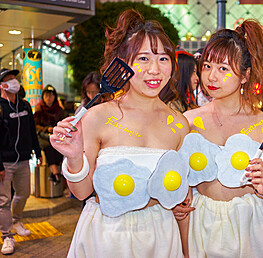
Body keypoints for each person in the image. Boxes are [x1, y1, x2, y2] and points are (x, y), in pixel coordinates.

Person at [50, 9, 190, 257]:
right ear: (124, 63)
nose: (154, 70)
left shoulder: (180, 124)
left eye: (163, 59)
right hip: (106, 236)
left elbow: (179, 195)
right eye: (143, 58)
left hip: (160, 236)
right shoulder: (98, 116)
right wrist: (73, 156)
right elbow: (81, 192)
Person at [180, 19, 263, 257]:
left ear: (244, 75)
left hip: (253, 227)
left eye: (223, 69)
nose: (211, 77)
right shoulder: (187, 121)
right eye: (207, 65)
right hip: (202, 225)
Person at [0, 68, 42, 255]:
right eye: (9, 79)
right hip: (5, 162)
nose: (14, 82)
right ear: (2, 85)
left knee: (24, 193)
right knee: (3, 200)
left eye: (14, 78)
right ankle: (6, 236)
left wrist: (38, 152)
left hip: (24, 159)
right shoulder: (0, 107)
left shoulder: (24, 106)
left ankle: (16, 220)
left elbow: (32, 131)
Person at [34, 85, 67, 184]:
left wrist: (56, 129)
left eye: (51, 95)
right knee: (49, 147)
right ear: (43, 97)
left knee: (59, 147)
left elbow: (65, 123)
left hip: (57, 137)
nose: (49, 98)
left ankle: (58, 174)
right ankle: (55, 172)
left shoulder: (60, 110)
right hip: (44, 137)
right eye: (46, 95)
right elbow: (35, 125)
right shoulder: (39, 110)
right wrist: (46, 129)